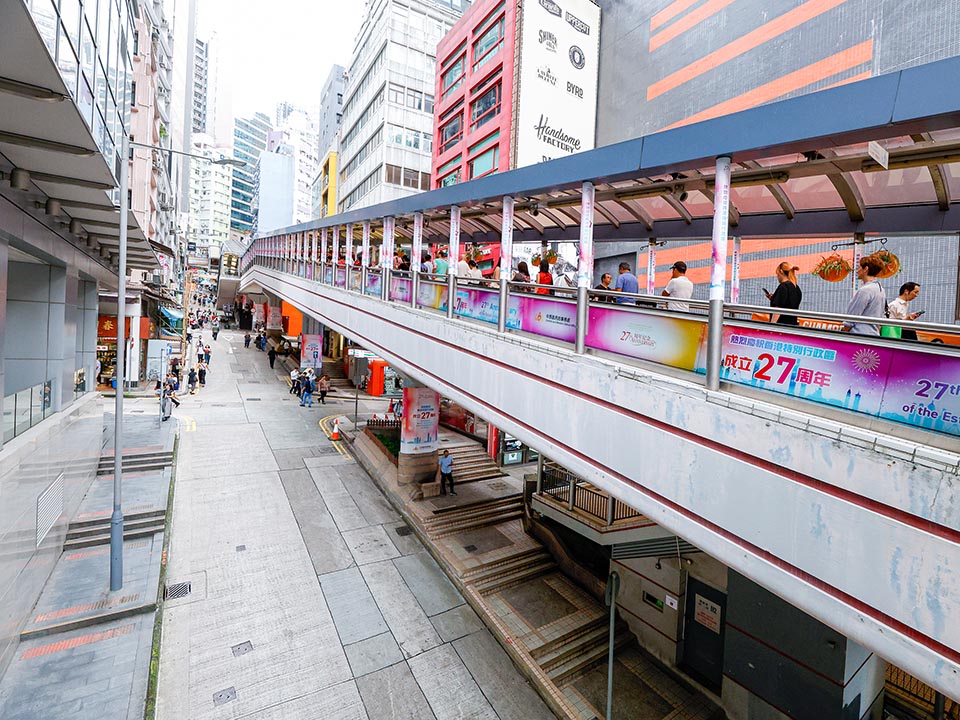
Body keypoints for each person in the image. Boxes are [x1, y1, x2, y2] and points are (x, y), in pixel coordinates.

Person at [842, 256, 886, 335]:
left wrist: (844, 331)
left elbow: (852, 316)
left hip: (859, 334)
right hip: (873, 334)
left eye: (859, 267)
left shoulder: (865, 290)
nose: (857, 271)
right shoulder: (880, 289)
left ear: (865, 269)